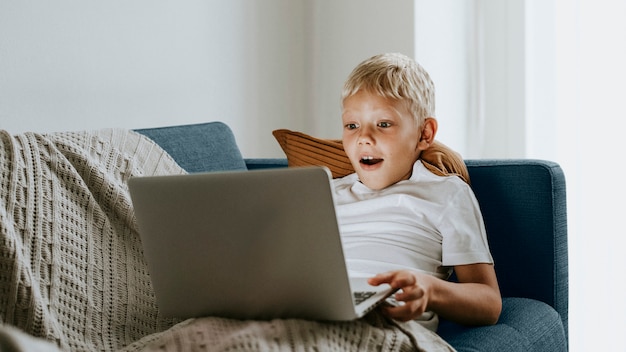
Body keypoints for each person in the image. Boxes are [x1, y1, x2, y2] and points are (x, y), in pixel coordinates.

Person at [333, 53, 502, 330]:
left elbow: (488, 302)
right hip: (317, 313)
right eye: (352, 125)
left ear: (424, 134)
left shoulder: (446, 193)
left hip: (388, 323)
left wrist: (429, 290)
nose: (363, 137)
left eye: (383, 124)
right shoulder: (325, 192)